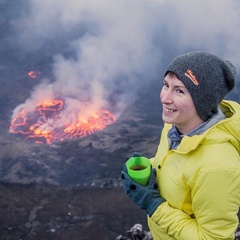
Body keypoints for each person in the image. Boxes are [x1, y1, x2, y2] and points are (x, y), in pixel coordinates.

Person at [121, 51, 240, 239]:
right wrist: (150, 169)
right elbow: (179, 166)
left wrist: (154, 204)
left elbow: (213, 237)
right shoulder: (174, 124)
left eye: (179, 90)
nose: (165, 98)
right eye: (166, 85)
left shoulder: (218, 166)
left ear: (203, 101)